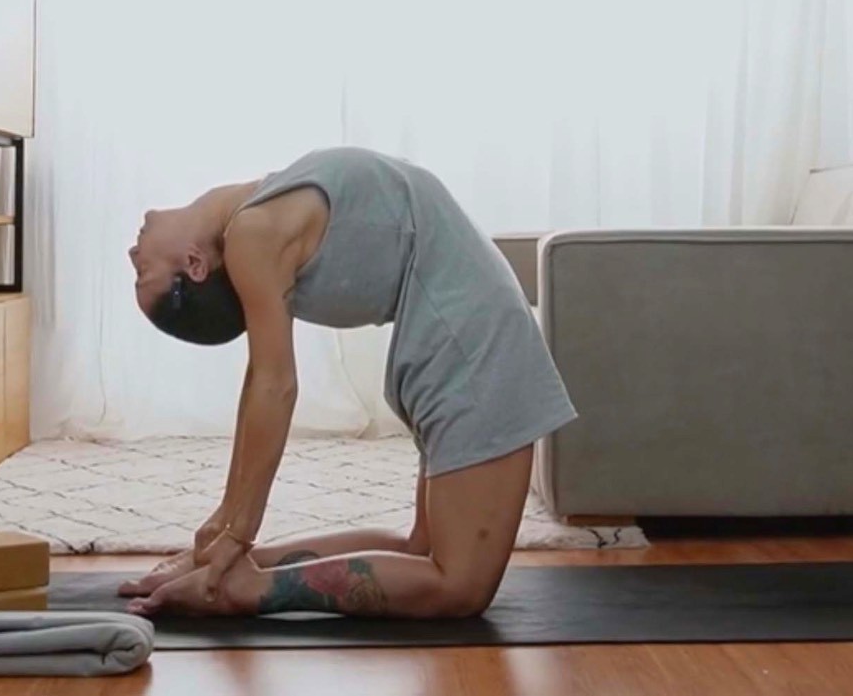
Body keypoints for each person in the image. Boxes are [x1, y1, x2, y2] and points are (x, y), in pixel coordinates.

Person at [118, 146, 576, 618]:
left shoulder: (257, 219)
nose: (133, 252)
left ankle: (242, 582)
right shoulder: (255, 230)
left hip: (466, 340)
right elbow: (266, 383)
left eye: (139, 271)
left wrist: (232, 531)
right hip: (469, 345)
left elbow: (269, 383)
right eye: (142, 270)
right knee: (455, 583)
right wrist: (226, 534)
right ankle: (239, 582)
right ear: (194, 265)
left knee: (439, 568)